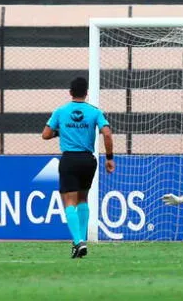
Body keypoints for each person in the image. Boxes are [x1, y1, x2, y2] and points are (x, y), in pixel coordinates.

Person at [42, 77, 115, 258]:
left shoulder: (61, 111)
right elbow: (107, 133)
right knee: (83, 199)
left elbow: (45, 134)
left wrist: (61, 132)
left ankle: (78, 241)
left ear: (70, 92)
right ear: (86, 93)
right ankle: (81, 241)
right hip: (88, 160)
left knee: (69, 202)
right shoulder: (94, 112)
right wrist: (109, 157)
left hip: (69, 159)